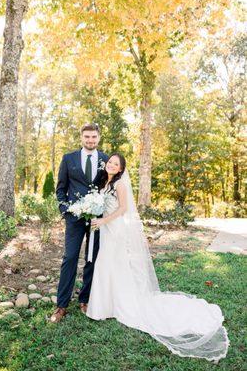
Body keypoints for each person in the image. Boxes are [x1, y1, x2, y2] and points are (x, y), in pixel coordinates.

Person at [87, 153, 229, 363]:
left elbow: (124, 209)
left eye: (116, 164)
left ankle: (116, 305)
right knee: (106, 265)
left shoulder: (120, 186)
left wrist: (104, 220)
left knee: (111, 264)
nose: (111, 165)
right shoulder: (103, 182)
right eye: (110, 162)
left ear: (120, 169)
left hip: (114, 229)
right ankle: (106, 305)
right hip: (105, 228)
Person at [50, 123, 108, 323]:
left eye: (93, 137)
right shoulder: (69, 159)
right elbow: (61, 188)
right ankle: (61, 305)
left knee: (92, 259)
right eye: (87, 137)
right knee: (70, 258)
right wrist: (65, 209)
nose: (90, 140)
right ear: (81, 138)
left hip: (97, 220)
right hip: (74, 218)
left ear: (98, 138)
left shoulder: (106, 160)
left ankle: (85, 300)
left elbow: (111, 188)